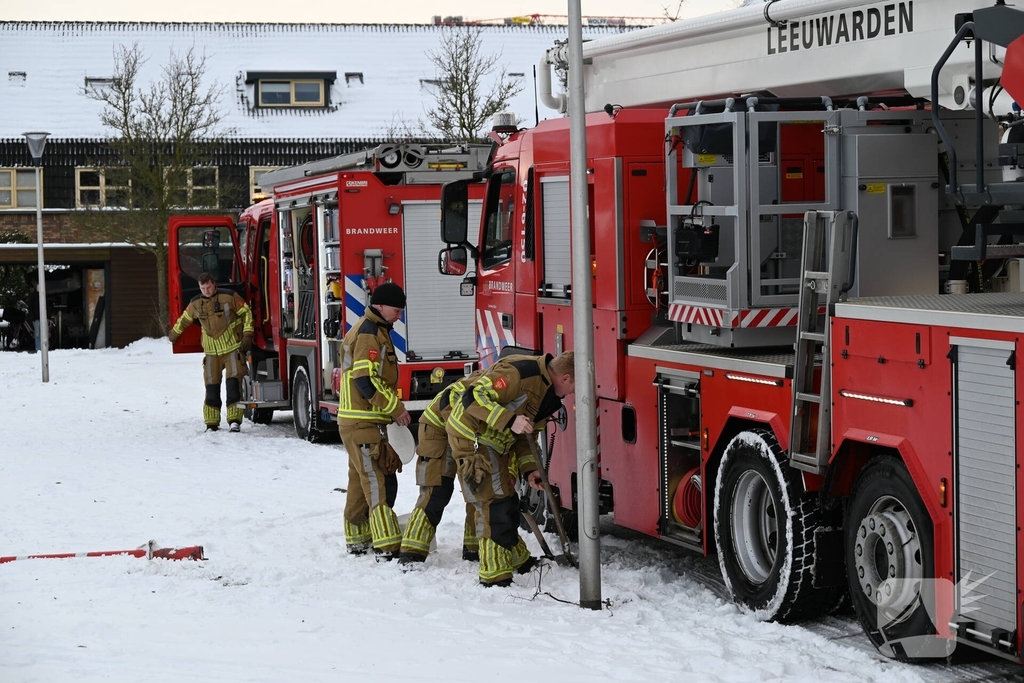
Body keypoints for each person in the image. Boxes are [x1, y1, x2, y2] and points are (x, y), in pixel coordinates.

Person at [446, 350, 575, 587]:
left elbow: (527, 437)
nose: (571, 395)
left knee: (506, 500)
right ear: (566, 378)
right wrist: (509, 419)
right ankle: (494, 574)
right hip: (473, 438)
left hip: (494, 443)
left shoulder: (545, 393)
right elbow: (473, 397)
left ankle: (515, 558)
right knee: (493, 503)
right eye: (573, 388)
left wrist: (530, 470)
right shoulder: (521, 372)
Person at [337, 282, 412, 561]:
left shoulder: (375, 329)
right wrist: (395, 409)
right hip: (362, 421)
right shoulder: (369, 333)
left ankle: (358, 540)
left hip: (357, 421)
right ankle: (387, 544)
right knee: (377, 480)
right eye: (396, 309)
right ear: (381, 306)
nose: (399, 315)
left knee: (359, 479)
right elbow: (365, 381)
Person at [397, 372, 481, 567]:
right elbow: (448, 402)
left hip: (461, 429)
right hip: (437, 427)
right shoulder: (487, 385)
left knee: (476, 487)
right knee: (437, 490)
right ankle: (411, 552)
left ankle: (474, 548)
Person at [168, 272, 254, 432]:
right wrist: (174, 334)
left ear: (214, 284)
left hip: (232, 349)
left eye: (208, 287)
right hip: (211, 353)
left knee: (233, 385)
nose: (206, 290)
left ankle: (234, 421)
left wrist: (248, 334)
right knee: (211, 388)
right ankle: (211, 423)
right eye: (203, 288)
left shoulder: (229, 297)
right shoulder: (195, 303)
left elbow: (247, 313)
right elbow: (185, 319)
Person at [27, 280, 40, 354]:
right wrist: (33, 316)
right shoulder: (33, 296)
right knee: (37, 334)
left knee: (42, 333)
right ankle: (38, 348)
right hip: (36, 318)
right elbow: (30, 307)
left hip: (41, 317)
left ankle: (41, 348)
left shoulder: (43, 295)